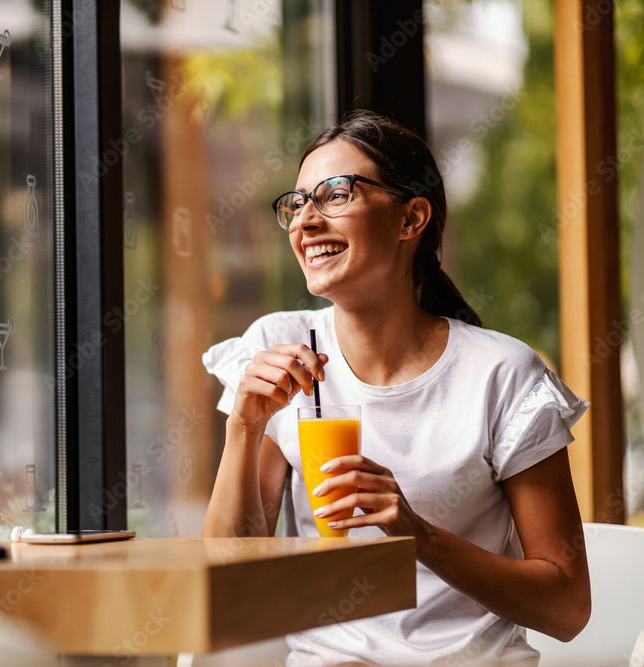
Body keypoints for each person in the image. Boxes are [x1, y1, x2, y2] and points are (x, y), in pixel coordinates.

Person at [202, 111, 591, 666]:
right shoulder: (279, 347)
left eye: (335, 194)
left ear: (411, 219)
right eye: (297, 202)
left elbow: (568, 607)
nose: (305, 221)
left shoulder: (500, 374)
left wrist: (418, 535)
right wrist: (243, 426)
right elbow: (227, 579)